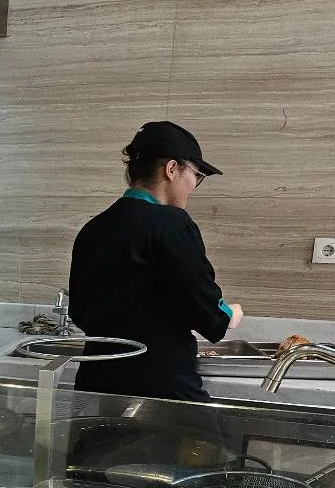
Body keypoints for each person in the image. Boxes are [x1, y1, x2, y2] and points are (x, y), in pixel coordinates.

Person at [68, 121, 243, 402]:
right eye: (196, 175)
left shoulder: (95, 227)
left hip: (97, 383)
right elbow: (208, 316)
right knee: (205, 445)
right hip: (160, 390)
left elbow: (80, 312)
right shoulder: (171, 224)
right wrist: (229, 314)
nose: (193, 187)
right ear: (172, 169)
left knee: (100, 446)